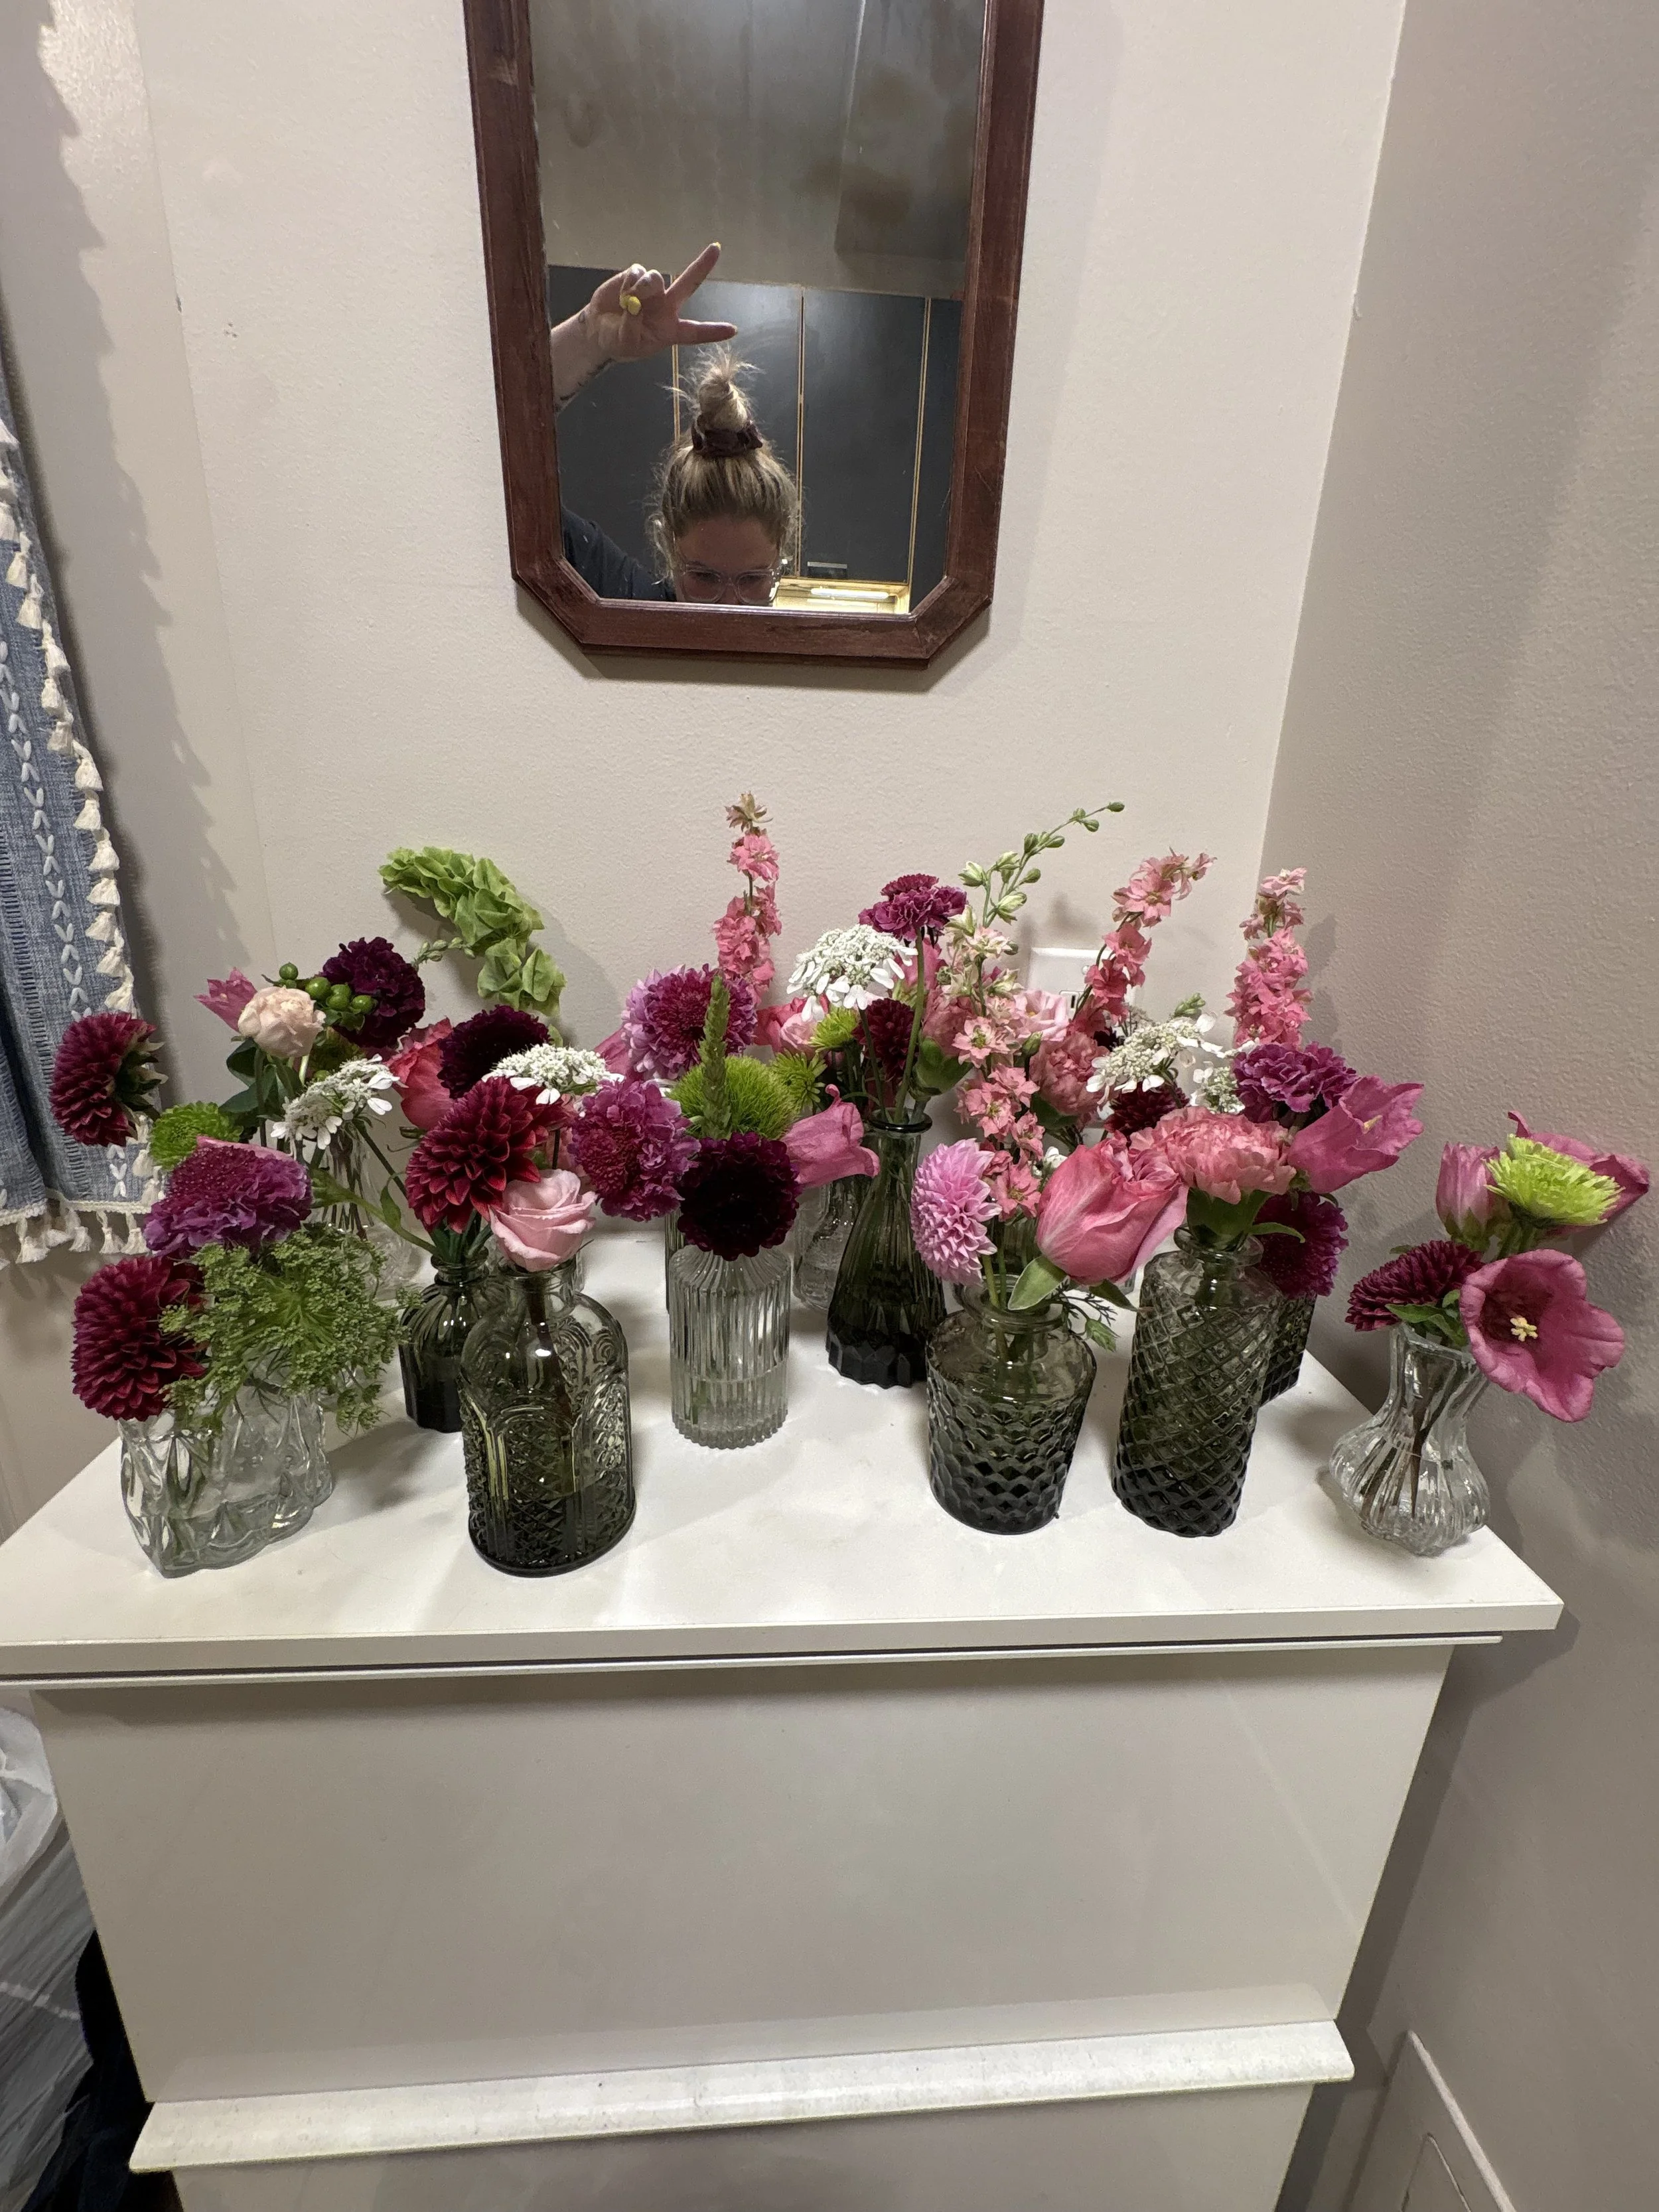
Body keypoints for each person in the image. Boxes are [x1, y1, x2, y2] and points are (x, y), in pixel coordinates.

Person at [549, 246, 798, 605]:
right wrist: (588, 340)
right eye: (703, 577)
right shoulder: (626, 598)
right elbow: (494, 455)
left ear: (779, 563)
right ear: (668, 547)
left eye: (752, 580)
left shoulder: (806, 640)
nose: (729, 606)